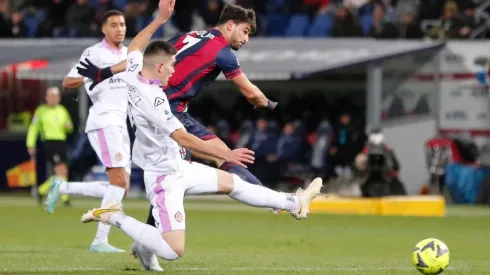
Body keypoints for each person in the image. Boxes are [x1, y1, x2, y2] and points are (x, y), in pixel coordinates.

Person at [80, 2, 323, 272]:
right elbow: (183, 138)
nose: (175, 70)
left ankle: (290, 202)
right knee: (176, 244)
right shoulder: (158, 101)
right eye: (171, 66)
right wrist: (261, 113)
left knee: (234, 184)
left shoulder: (142, 68)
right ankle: (120, 220)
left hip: (177, 164)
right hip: (165, 166)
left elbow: (136, 48)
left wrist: (158, 21)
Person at [45, 9, 129, 253]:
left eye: (122, 24)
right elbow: (67, 82)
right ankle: (100, 241)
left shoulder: (128, 54)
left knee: (120, 187)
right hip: (103, 121)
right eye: (113, 24)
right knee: (119, 181)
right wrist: (92, 75)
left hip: (121, 124)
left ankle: (61, 188)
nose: (119, 29)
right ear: (104, 29)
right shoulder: (94, 53)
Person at [27, 87, 73, 206]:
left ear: (59, 98)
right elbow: (33, 128)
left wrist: (68, 126)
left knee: (63, 172)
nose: (53, 99)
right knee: (60, 170)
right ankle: (64, 198)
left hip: (62, 142)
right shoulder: (41, 111)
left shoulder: (62, 110)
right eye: (51, 97)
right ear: (46, 98)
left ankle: (42, 190)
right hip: (50, 143)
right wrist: (30, 144)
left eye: (55, 97)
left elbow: (69, 127)